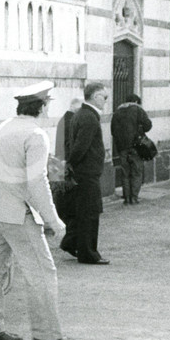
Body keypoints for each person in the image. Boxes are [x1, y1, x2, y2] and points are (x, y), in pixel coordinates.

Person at [0, 81, 81, 340]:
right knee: (43, 271)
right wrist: (54, 219)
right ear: (42, 106)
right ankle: (47, 335)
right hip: (18, 212)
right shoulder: (35, 134)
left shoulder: (5, 126)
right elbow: (37, 182)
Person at [61, 82, 110, 265]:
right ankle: (89, 253)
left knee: (84, 212)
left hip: (83, 172)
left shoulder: (81, 114)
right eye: (104, 98)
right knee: (90, 213)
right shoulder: (89, 117)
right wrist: (73, 164)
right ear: (96, 96)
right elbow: (80, 146)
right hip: (87, 173)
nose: (105, 102)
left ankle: (76, 245)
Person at [110, 93, 152, 204]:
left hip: (122, 148)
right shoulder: (138, 110)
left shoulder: (117, 112)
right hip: (136, 147)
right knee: (137, 172)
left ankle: (127, 198)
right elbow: (148, 126)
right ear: (137, 102)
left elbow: (113, 131)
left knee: (125, 173)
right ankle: (134, 198)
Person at [54, 97, 82, 161]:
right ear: (71, 106)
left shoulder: (65, 119)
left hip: (62, 157)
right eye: (79, 108)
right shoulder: (72, 121)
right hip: (69, 158)